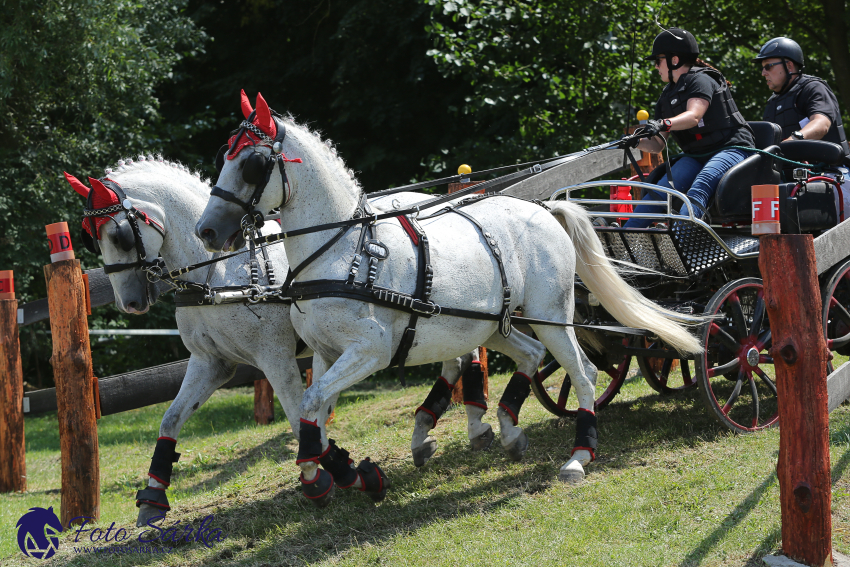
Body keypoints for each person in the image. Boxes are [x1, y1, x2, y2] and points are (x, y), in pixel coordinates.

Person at [623, 28, 755, 229]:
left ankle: (681, 242)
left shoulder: (701, 80)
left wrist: (663, 123)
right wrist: (635, 141)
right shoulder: (667, 96)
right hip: (696, 155)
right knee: (660, 191)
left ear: (674, 60)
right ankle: (625, 240)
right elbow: (658, 145)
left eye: (658, 61)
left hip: (731, 148)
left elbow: (694, 116)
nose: (656, 67)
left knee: (699, 188)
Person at [754, 37, 849, 152]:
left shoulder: (813, 88)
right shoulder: (772, 102)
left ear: (789, 66)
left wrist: (792, 140)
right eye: (763, 68)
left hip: (829, 167)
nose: (763, 73)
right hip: (788, 168)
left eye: (768, 66)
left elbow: (821, 124)